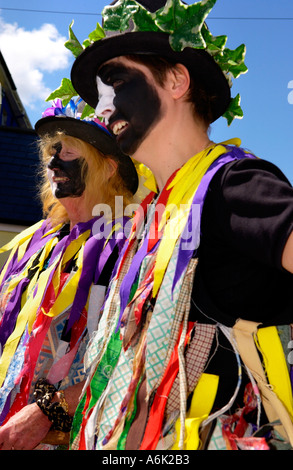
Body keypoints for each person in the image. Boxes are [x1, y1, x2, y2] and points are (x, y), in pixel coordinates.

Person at [65, 0, 293, 451]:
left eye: (115, 82)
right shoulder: (161, 212)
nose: (103, 106)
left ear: (176, 80)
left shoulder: (233, 183)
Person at [0, 100, 138, 450]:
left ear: (108, 168)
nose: (52, 161)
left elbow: (130, 358)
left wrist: (48, 410)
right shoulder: (35, 242)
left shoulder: (131, 247)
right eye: (50, 151)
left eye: (68, 150)